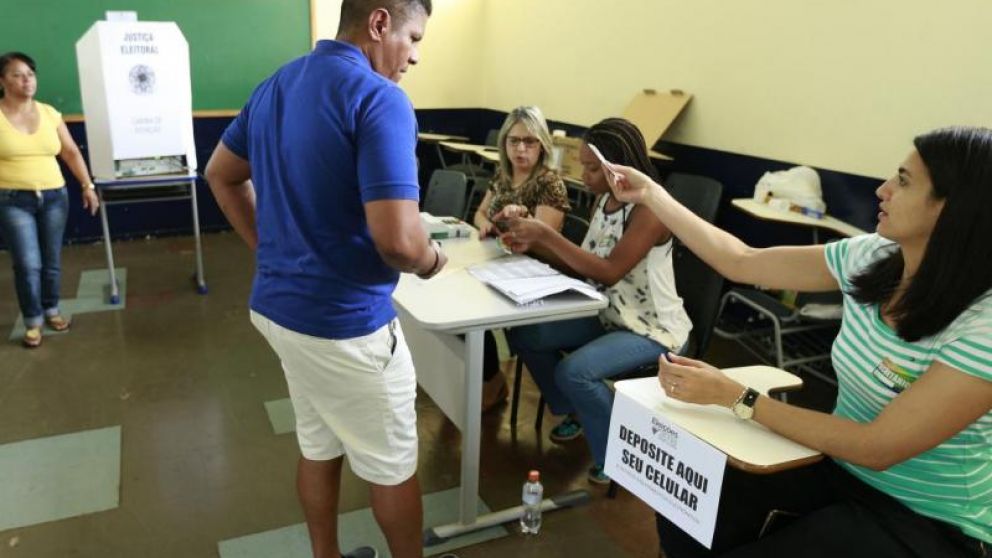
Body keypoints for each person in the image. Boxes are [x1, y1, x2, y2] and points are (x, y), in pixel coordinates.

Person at [604, 126, 992, 557]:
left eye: (903, 181)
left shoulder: (983, 324)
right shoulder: (873, 256)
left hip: (929, 520)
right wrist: (652, 194)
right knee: (691, 499)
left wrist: (736, 397)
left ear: (954, 209)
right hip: (840, 470)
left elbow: (877, 446)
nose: (882, 190)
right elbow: (741, 261)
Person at [204, 2, 444, 557]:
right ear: (379, 23)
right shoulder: (381, 98)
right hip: (347, 326)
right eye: (412, 37)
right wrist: (432, 260)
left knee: (319, 443)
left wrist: (269, 250)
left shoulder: (275, 86)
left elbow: (220, 174)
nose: (414, 55)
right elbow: (398, 243)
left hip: (281, 312)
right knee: (392, 465)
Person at [502, 118, 691, 484]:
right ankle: (577, 408)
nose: (583, 176)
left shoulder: (650, 210)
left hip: (653, 330)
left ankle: (617, 455)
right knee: (526, 334)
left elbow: (609, 272)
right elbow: (585, 265)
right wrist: (532, 244)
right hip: (608, 315)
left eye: (591, 168)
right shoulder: (604, 201)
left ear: (617, 167)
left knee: (574, 372)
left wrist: (547, 236)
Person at [472, 105, 570, 411]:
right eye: (513, 141)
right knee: (462, 310)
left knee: (472, 315)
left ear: (542, 145)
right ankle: (489, 378)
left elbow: (542, 242)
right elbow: (479, 213)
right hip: (499, 264)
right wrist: (485, 224)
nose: (521, 149)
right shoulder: (503, 175)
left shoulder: (549, 183)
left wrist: (520, 220)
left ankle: (491, 382)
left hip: (534, 276)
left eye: (529, 141)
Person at [0, 52, 99, 348]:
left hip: (55, 196)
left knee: (51, 261)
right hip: (13, 200)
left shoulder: (49, 113)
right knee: (28, 263)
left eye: (30, 74)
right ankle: (33, 320)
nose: (26, 80)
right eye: (18, 75)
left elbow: (70, 152)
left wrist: (87, 185)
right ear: (2, 81)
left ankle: (52, 309)